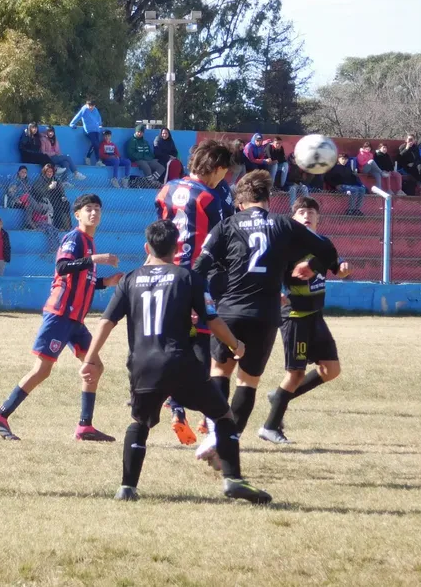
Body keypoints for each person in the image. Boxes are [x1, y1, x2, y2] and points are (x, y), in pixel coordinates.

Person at [81, 220, 271, 505]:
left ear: (147, 248)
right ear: (176, 249)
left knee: (140, 423)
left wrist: (90, 359)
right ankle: (233, 479)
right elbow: (212, 319)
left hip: (143, 365)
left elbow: (106, 321)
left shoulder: (129, 279)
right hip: (180, 363)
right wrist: (235, 344)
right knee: (223, 416)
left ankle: (127, 487)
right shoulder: (187, 277)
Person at [191, 170, 339, 467]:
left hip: (231, 310)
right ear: (268, 200)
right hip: (266, 314)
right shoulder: (283, 223)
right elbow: (327, 249)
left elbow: (200, 266)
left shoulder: (228, 224)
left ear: (240, 203)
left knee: (220, 372)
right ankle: (227, 442)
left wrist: (193, 301)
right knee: (248, 382)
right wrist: (314, 265)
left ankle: (216, 435)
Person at [0, 194, 122, 441]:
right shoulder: (74, 238)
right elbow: (62, 268)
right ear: (77, 214)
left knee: (94, 366)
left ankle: (85, 426)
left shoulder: (89, 242)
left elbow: (83, 280)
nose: (94, 213)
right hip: (60, 314)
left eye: (97, 209)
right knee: (42, 370)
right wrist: (94, 259)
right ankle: (0, 415)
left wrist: (106, 282)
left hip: (75, 320)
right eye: (88, 209)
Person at [154, 139, 232, 444]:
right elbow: (221, 241)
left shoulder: (166, 190)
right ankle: (207, 415)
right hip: (196, 279)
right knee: (200, 351)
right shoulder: (210, 198)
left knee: (173, 344)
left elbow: (159, 231)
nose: (224, 177)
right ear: (217, 168)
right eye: (224, 171)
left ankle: (176, 407)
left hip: (164, 275)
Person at [259, 197, 352, 444]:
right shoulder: (287, 245)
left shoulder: (323, 243)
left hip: (315, 316)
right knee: (295, 374)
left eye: (311, 212)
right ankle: (269, 427)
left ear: (319, 218)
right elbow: (269, 271)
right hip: (294, 316)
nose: (307, 215)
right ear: (293, 218)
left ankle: (279, 396)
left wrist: (343, 268)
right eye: (301, 212)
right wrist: (275, 292)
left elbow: (337, 267)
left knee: (331, 370)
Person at [32, 164, 72, 231]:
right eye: (48, 171)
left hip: (55, 198)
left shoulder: (55, 179)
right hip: (44, 199)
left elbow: (61, 190)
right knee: (56, 206)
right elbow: (39, 193)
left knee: (66, 204)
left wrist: (63, 196)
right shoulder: (40, 180)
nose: (49, 173)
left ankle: (68, 227)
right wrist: (49, 187)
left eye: (51, 171)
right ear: (44, 172)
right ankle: (59, 226)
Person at [69, 98, 104, 165]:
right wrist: (72, 123)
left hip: (96, 129)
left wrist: (100, 124)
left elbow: (98, 117)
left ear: (94, 106)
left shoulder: (95, 110)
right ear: (87, 104)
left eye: (92, 106)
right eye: (89, 106)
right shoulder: (84, 109)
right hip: (89, 130)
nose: (90, 108)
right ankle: (92, 159)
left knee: (96, 144)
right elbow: (78, 116)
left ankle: (96, 160)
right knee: (95, 144)